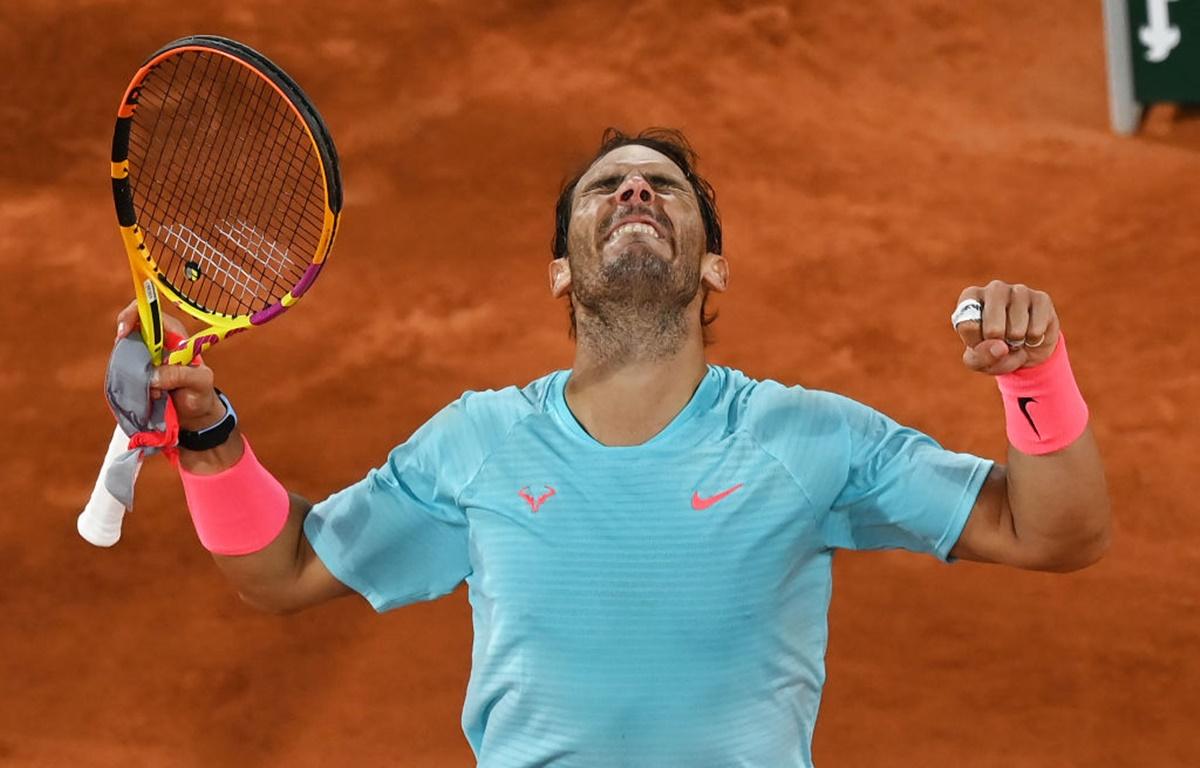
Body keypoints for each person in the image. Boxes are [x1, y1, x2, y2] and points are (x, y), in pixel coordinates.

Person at [116, 128, 1111, 767]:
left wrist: (1035, 376)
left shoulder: (809, 438)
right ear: (560, 272)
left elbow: (1053, 532)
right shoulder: (480, 441)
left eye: (664, 188)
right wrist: (206, 436)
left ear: (712, 265)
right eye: (606, 189)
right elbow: (283, 571)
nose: (635, 193)